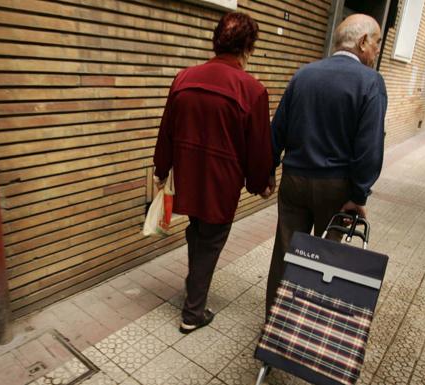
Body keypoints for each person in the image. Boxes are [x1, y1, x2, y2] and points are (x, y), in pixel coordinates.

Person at [153, 12, 274, 334]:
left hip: (189, 180)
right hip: (221, 186)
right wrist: (260, 182)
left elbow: (166, 130)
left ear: (216, 40)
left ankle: (194, 285)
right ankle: (193, 313)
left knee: (198, 233)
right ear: (248, 46)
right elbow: (259, 145)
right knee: (210, 240)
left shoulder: (183, 79)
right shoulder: (252, 90)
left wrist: (161, 168)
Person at [265, 13, 387, 316]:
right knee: (328, 258)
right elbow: (369, 147)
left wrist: (268, 169)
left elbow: (277, 129)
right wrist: (359, 195)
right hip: (337, 187)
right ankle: (311, 326)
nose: (377, 51)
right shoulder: (370, 82)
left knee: (285, 252)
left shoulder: (303, 75)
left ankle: (275, 323)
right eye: (377, 43)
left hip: (294, 180)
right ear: (362, 42)